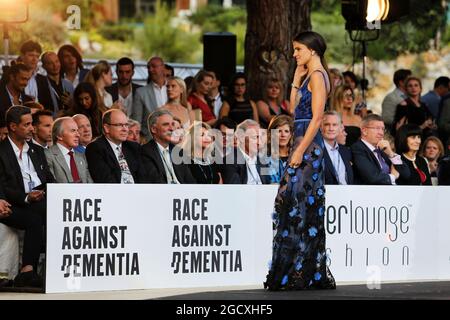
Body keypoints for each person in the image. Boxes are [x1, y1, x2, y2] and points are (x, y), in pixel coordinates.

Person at [265, 31, 336, 291]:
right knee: (295, 205)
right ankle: (298, 271)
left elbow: (317, 118)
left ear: (313, 50)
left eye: (298, 49)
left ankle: (298, 272)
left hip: (307, 147)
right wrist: (295, 79)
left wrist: (299, 150)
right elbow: (295, 109)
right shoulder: (308, 75)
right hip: (302, 143)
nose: (295, 54)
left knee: (293, 204)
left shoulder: (318, 76)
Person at [85, 109, 145, 184]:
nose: (125, 129)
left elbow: (143, 177)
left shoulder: (134, 147)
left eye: (126, 125)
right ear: (107, 128)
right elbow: (105, 181)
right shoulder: (95, 148)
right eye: (119, 125)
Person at [351, 114, 409, 185]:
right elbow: (372, 177)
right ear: (364, 131)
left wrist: (391, 154)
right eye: (377, 128)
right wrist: (393, 177)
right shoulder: (358, 148)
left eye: (382, 129)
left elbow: (406, 174)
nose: (381, 133)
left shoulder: (383, 149)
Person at [140, 110, 195, 184]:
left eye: (172, 124)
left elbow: (190, 182)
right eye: (166, 124)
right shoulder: (145, 152)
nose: (172, 129)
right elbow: (155, 183)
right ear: (153, 129)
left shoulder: (179, 152)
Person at [44, 117, 93, 183]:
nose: (78, 135)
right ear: (59, 135)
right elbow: (51, 186)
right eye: (73, 131)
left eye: (77, 130)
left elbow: (90, 184)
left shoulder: (81, 156)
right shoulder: (48, 155)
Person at [321, 111, 354, 185]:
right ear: (320, 127)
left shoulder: (346, 151)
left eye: (334, 125)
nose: (331, 128)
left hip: (347, 194)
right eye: (327, 124)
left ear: (340, 127)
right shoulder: (315, 151)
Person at [266, 115, 293, 184]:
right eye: (279, 131)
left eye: (286, 131)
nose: (283, 135)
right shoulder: (265, 156)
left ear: (290, 135)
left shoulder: (296, 155)